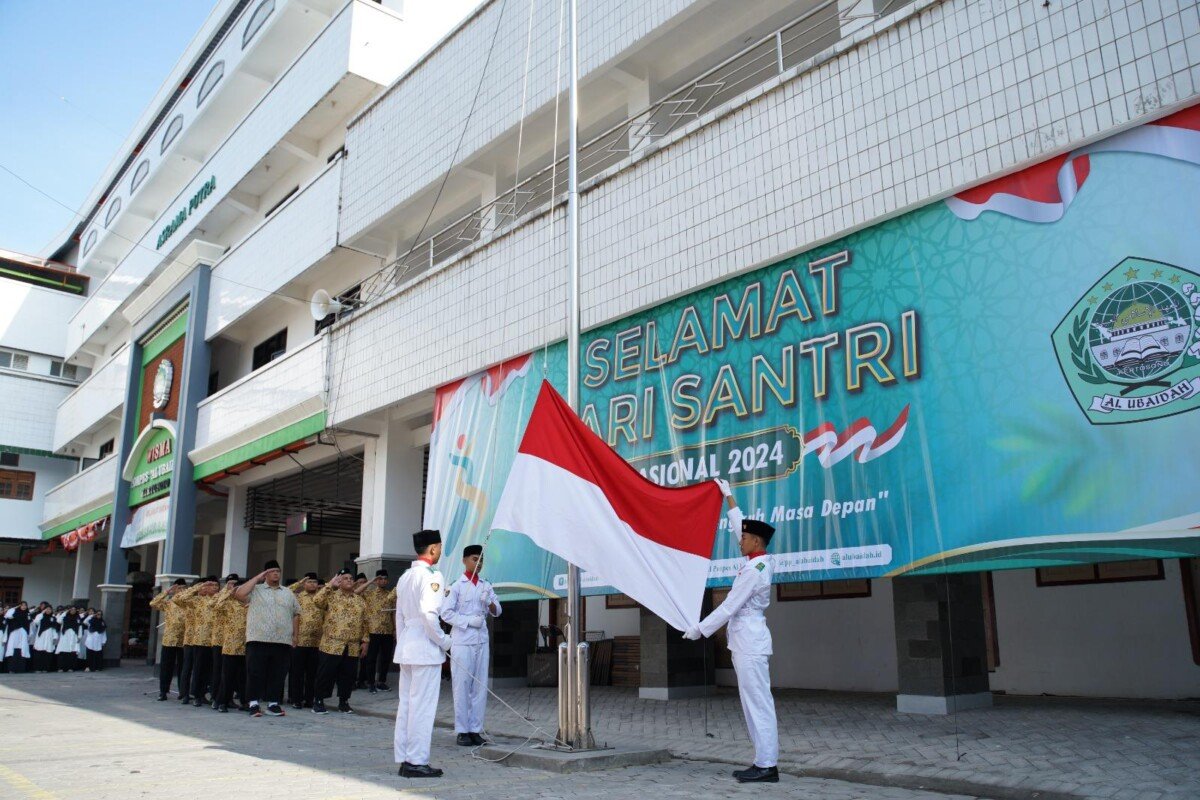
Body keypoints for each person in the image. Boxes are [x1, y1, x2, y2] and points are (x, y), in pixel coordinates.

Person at [684, 481, 779, 784]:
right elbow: (741, 528)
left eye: (744, 539)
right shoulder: (756, 560)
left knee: (758, 704)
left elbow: (728, 607)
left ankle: (767, 765)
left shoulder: (755, 570)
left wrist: (700, 630)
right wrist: (729, 497)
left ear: (756, 541)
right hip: (746, 641)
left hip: (750, 642)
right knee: (752, 704)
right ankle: (762, 761)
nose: (740, 541)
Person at [393, 529, 452, 779]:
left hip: (407, 646)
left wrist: (403, 642)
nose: (440, 551)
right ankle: (417, 761)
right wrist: (445, 641)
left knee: (407, 705)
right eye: (439, 547)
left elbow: (398, 616)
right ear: (433, 548)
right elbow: (429, 614)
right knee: (422, 707)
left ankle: (405, 759)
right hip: (425, 648)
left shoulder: (405, 576)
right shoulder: (432, 576)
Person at [440, 544, 502, 746]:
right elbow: (446, 613)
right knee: (462, 685)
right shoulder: (457, 586)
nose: (479, 563)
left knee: (480, 686)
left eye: (481, 559)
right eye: (475, 559)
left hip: (481, 640)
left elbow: (498, 610)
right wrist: (467, 621)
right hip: (463, 640)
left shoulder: (486, 585)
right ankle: (462, 730)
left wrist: (489, 603)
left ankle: (476, 729)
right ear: (464, 560)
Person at [235, 559, 301, 717]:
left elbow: (296, 613)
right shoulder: (256, 590)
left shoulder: (288, 592)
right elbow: (239, 594)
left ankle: (273, 704)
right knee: (255, 672)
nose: (276, 574)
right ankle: (253, 703)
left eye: (278, 571)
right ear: (265, 574)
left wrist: (295, 635)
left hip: (282, 640)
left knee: (278, 673)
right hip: (259, 638)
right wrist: (257, 578)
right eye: (272, 571)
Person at [312, 569, 369, 714]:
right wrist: (330, 585)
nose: (349, 580)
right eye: (345, 578)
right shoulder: (331, 596)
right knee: (326, 674)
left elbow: (365, 622)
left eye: (351, 578)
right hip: (332, 644)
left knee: (348, 675)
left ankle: (344, 702)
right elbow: (316, 601)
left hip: (352, 645)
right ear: (339, 581)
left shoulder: (359, 600)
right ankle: (319, 701)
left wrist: (365, 641)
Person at [174, 577, 220, 706]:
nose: (213, 587)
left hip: (215, 640)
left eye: (215, 585)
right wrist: (197, 587)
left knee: (210, 670)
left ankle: (205, 694)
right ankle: (192, 695)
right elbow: (178, 599)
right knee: (196, 668)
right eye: (209, 585)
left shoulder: (218, 600)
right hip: (199, 639)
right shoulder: (196, 601)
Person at [356, 568, 397, 693]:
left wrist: (395, 629)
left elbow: (393, 613)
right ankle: (371, 683)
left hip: (387, 631)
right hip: (372, 631)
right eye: (380, 579)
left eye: (385, 579)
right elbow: (356, 592)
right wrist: (370, 582)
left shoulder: (390, 595)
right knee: (371, 658)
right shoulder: (369, 594)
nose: (383, 581)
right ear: (376, 580)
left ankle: (381, 682)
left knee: (386, 658)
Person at [287, 573, 324, 709]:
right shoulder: (297, 597)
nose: (312, 584)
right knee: (297, 672)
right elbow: (286, 591)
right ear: (304, 584)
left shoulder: (322, 597)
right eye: (309, 582)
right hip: (300, 640)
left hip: (317, 642)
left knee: (312, 673)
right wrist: (295, 636)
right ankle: (296, 699)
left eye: (315, 582)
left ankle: (309, 699)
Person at [213, 575, 248, 713]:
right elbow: (216, 606)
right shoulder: (229, 603)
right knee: (227, 676)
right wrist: (228, 592)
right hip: (231, 646)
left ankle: (245, 702)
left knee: (244, 677)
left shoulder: (252, 604)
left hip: (247, 646)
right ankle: (222, 702)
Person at [149, 579, 188, 700]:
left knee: (184, 667)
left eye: (184, 588)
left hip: (185, 639)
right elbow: (153, 603)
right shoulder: (169, 603)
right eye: (179, 588)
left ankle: (183, 692)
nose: (181, 590)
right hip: (169, 639)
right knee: (166, 666)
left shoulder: (189, 603)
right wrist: (167, 592)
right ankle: (163, 691)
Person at [4, 602, 32, 673]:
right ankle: (11, 668)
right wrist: (15, 608)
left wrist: (29, 635)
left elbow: (29, 623)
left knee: (22, 649)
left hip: (23, 632)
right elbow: (7, 616)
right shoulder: (15, 612)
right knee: (12, 649)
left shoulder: (27, 614)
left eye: (25, 605)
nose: (24, 607)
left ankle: (20, 668)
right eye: (22, 605)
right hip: (14, 632)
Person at [30, 607, 60, 672]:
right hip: (41, 636)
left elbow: (54, 628)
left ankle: (45, 668)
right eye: (47, 609)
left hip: (49, 637)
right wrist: (42, 613)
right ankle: (38, 668)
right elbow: (36, 621)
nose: (48, 610)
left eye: (50, 609)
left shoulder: (53, 618)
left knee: (47, 653)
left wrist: (55, 637)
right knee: (39, 652)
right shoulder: (41, 617)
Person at [55, 607, 83, 672]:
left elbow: (80, 627)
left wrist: (79, 636)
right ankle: (61, 668)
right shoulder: (65, 618)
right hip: (65, 636)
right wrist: (65, 612)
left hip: (74, 637)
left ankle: (71, 667)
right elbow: (58, 620)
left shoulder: (78, 618)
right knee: (63, 651)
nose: (73, 611)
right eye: (71, 610)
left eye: (74, 610)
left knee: (72, 652)